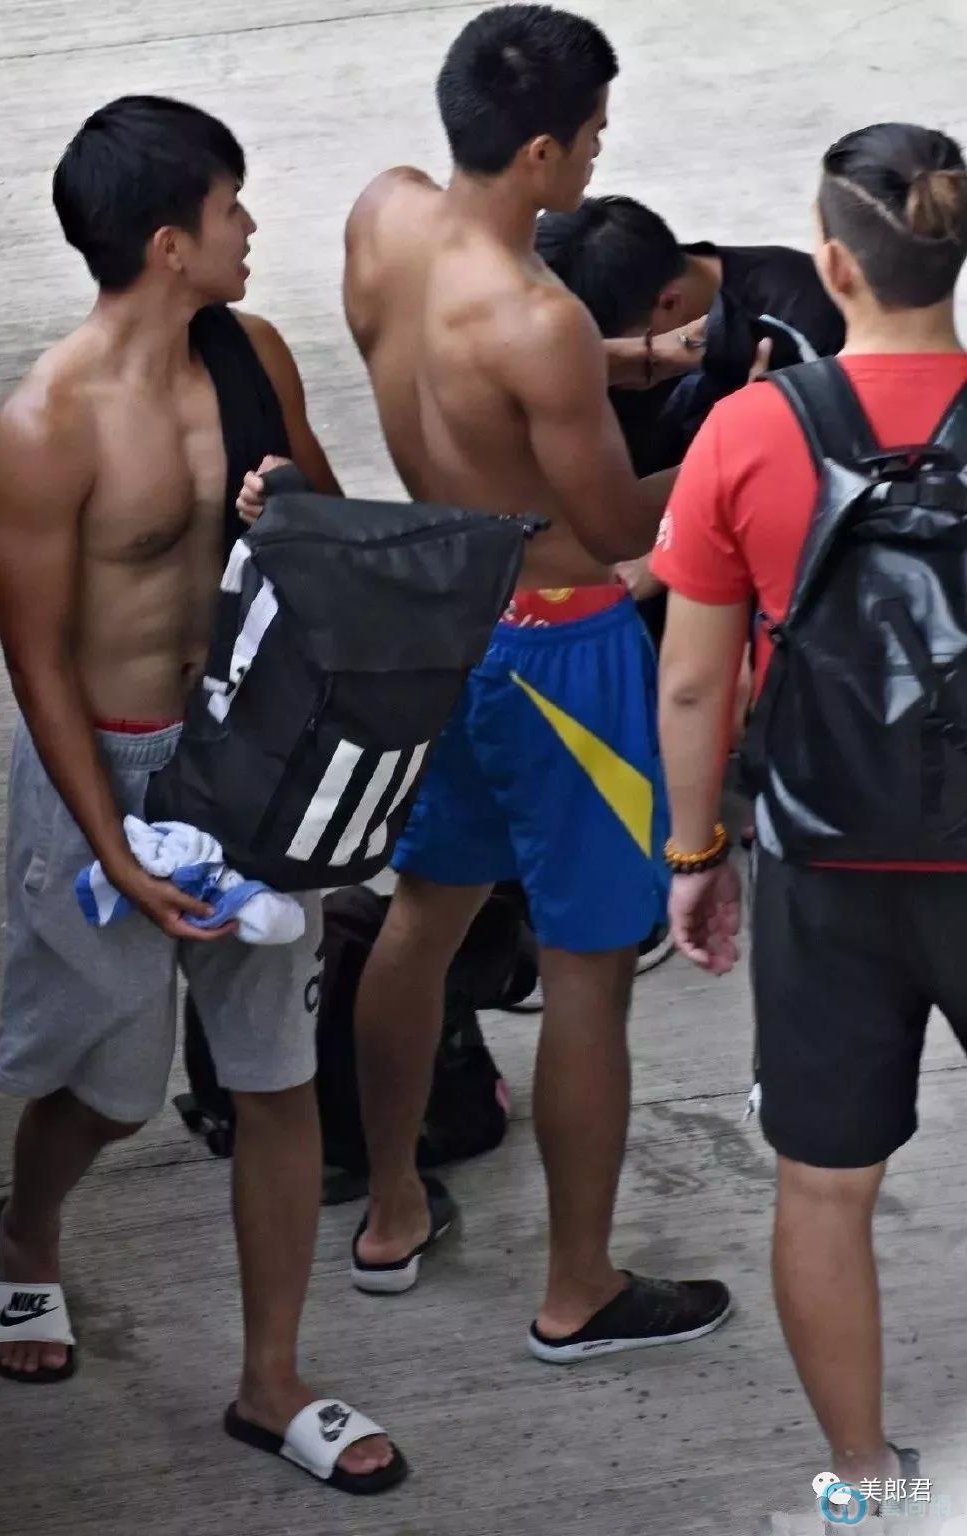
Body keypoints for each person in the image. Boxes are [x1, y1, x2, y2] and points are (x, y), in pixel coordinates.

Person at [0, 95, 406, 1495]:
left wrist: (289, 513)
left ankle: (270, 1381)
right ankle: (27, 1230)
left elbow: (341, 539)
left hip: (247, 761)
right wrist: (112, 844)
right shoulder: (45, 425)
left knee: (277, 1075)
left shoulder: (251, 355)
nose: (251, 227)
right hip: (105, 766)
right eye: (231, 209)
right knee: (108, 1086)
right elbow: (37, 664)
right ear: (170, 244)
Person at [337, 3, 730, 1362]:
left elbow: (473, 383)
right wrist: (743, 434)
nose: (602, 155)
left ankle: (392, 1210)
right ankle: (578, 1290)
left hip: (443, 612)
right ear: (545, 153)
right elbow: (619, 526)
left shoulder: (384, 216)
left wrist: (629, 361)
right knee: (587, 974)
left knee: (421, 919)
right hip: (561, 650)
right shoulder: (540, 318)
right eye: (596, 136)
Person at [651, 122, 967, 1493]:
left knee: (824, 1188)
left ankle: (865, 1482)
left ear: (833, 265)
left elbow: (691, 685)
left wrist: (696, 850)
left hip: (826, 864)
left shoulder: (748, 429)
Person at [536, 194, 845, 641]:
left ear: (668, 304)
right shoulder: (604, 309)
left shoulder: (800, 318)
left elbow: (824, 491)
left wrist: (666, 555)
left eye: (626, 355)